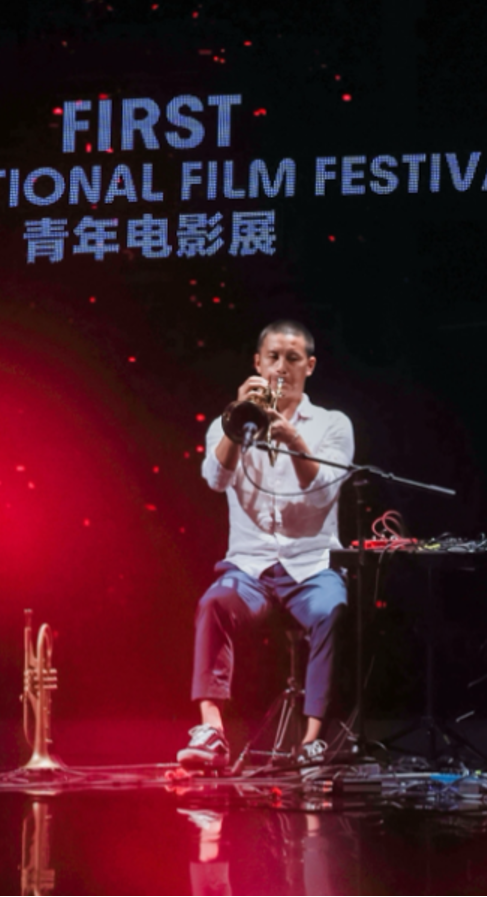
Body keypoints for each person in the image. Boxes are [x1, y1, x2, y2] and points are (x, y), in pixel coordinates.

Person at [179, 321, 355, 770]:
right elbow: (214, 480)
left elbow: (323, 492)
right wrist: (238, 424)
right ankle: (211, 731)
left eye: (292, 359)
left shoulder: (333, 424)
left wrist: (292, 437)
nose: (281, 368)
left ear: (309, 366)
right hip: (250, 568)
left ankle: (314, 738)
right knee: (213, 604)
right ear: (257, 364)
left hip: (310, 565)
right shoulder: (227, 423)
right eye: (273, 358)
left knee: (332, 610)